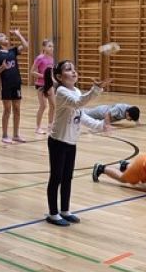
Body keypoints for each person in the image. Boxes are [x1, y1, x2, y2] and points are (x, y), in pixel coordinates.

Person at [44, 61, 110, 226]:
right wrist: (96, 89)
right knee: (56, 178)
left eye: (74, 69)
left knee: (67, 177)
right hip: (58, 142)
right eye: (68, 69)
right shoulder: (61, 92)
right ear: (59, 77)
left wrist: (100, 125)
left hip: (71, 142)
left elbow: (81, 116)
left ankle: (65, 210)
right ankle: (53, 213)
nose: (73, 72)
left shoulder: (77, 91)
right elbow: (78, 103)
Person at [0, 28, 28, 144]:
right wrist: (2, 68)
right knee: (7, 110)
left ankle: (16, 135)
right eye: (1, 36)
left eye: (5, 35)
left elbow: (26, 46)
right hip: (5, 84)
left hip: (16, 83)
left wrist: (18, 34)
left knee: (17, 109)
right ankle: (5, 135)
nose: (5, 36)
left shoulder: (13, 51)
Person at [30, 39, 56, 134]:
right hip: (41, 85)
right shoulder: (39, 58)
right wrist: (43, 76)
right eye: (49, 46)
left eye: (52, 46)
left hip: (49, 85)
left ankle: (50, 125)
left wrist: (54, 80)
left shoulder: (52, 58)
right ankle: (38, 127)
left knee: (53, 105)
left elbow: (50, 73)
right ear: (44, 47)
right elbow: (32, 72)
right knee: (43, 106)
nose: (51, 48)